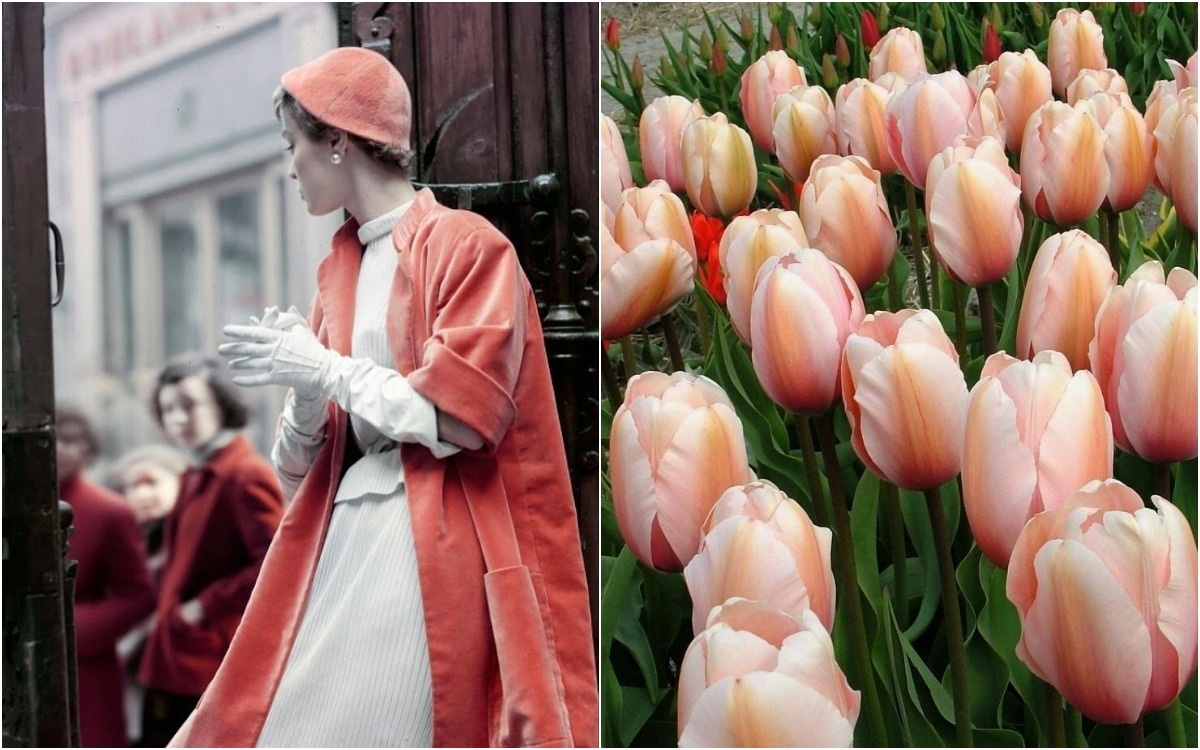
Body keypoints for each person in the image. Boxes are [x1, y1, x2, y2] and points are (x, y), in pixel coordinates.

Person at [171, 46, 597, 747]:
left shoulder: (467, 245)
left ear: (338, 141)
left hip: (429, 535)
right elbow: (298, 471)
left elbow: (462, 415)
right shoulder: (339, 269)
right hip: (343, 542)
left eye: (294, 145)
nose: (290, 167)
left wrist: (322, 369)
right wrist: (304, 382)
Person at [137, 355, 284, 747]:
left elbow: (276, 565)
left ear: (220, 403)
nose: (178, 419)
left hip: (210, 656)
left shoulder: (243, 473)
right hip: (178, 652)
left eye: (190, 405)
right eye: (168, 409)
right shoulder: (196, 470)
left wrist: (201, 607)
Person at [56, 406, 157, 748]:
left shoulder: (109, 511)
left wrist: (72, 626)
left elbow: (139, 595)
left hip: (85, 675)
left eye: (70, 439)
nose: (58, 448)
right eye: (52, 438)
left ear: (87, 448)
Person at [108, 444, 188, 745]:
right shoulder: (126, 539)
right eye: (132, 487)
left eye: (151, 483)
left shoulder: (188, 535)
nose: (142, 495)